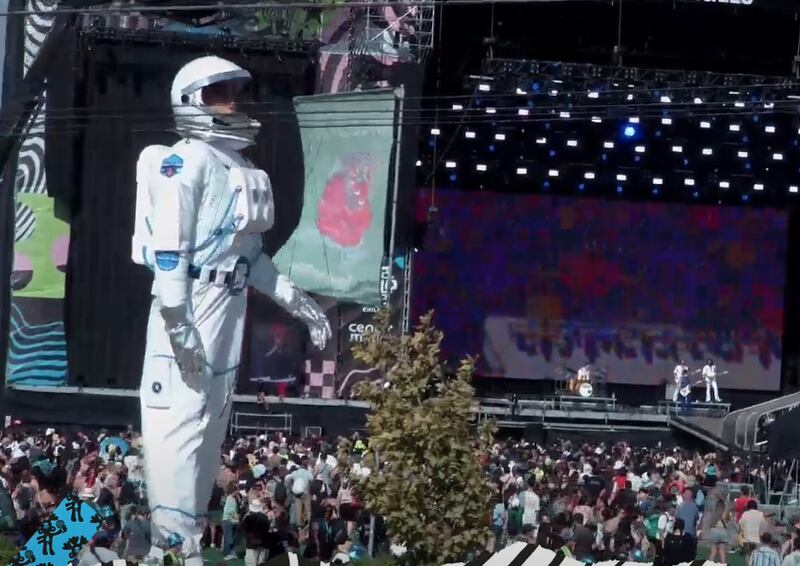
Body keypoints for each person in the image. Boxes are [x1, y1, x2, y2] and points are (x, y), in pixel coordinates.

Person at [131, 55, 331, 565]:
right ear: (192, 100)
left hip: (229, 305)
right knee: (176, 421)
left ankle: (188, 537)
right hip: (191, 303)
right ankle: (170, 544)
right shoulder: (185, 160)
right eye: (218, 92)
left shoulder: (240, 167)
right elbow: (172, 248)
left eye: (232, 91)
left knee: (209, 425)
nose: (231, 102)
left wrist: (300, 305)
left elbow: (252, 259)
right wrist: (178, 321)